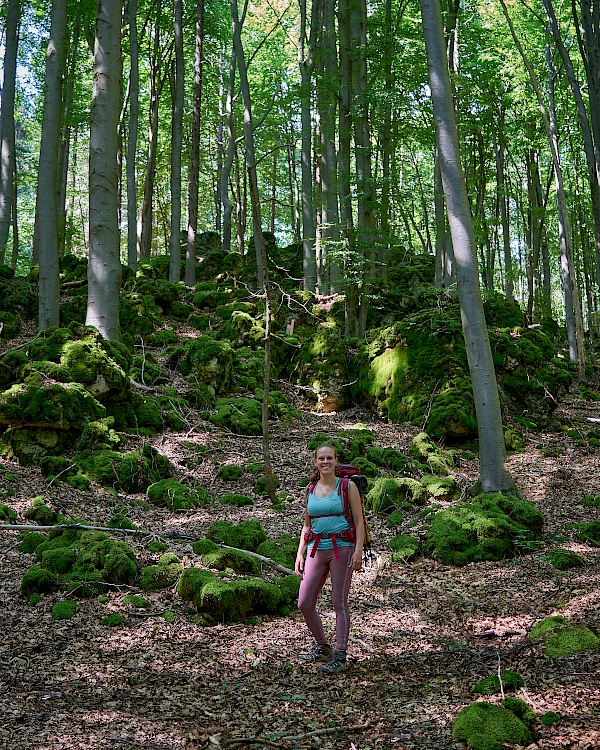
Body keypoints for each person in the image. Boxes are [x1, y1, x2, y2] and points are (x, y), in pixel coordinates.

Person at [295, 443, 364, 674]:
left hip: (341, 548)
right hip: (316, 547)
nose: (325, 462)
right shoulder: (311, 489)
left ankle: (340, 655)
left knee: (339, 603)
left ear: (336, 461)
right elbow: (308, 523)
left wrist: (358, 550)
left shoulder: (347, 486)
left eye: (329, 458)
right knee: (304, 602)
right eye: (321, 458)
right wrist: (300, 552)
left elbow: (359, 521)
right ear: (315, 462)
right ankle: (322, 646)